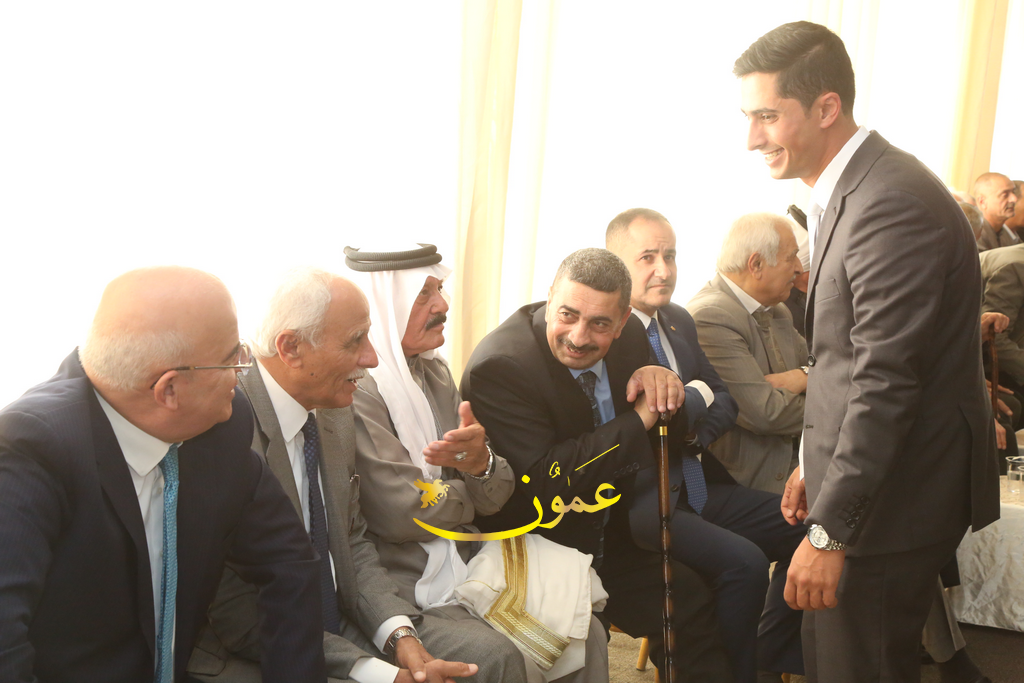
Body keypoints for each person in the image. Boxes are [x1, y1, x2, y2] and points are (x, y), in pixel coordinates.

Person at [736, 21, 1000, 683]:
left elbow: (885, 381)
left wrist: (832, 530)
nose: (752, 139)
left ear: (827, 107)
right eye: (748, 118)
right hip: (876, 486)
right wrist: (812, 461)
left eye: (767, 116)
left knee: (858, 666)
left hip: (895, 500)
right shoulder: (854, 188)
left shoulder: (891, 203)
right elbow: (842, 360)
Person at [188, 266, 522, 683]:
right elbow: (241, 611)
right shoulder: (228, 426)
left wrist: (400, 636)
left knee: (494, 658)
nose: (372, 358)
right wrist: (379, 673)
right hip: (256, 644)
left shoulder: (333, 411)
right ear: (291, 348)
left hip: (344, 616)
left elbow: (351, 540)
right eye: (355, 341)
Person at [0, 266, 326, 683]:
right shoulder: (30, 448)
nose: (242, 371)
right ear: (169, 390)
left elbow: (287, 562)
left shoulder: (222, 424)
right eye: (233, 358)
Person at [345, 244, 608, 683]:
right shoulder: (358, 391)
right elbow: (404, 514)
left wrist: (481, 465)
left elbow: (497, 490)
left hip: (471, 563)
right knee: (505, 658)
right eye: (424, 294)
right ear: (387, 305)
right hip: (407, 585)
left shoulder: (434, 373)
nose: (442, 305)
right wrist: (475, 482)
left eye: (440, 289)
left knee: (590, 633)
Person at [605, 214, 805, 682]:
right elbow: (648, 422)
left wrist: (691, 429)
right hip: (646, 501)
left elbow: (725, 400)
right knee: (746, 564)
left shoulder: (677, 320)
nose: (664, 270)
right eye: (647, 258)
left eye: (670, 256)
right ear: (618, 265)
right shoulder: (607, 332)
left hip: (697, 481)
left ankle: (769, 655)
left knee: (807, 524)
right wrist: (693, 401)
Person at [686, 213, 807, 495]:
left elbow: (826, 367)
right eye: (791, 257)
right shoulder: (711, 315)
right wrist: (838, 409)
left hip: (802, 461)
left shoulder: (777, 309)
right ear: (756, 265)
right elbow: (768, 414)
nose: (799, 268)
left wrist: (804, 376)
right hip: (756, 484)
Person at [974, 173, 1020, 251]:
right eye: (1005, 195)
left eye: (1013, 192)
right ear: (982, 202)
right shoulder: (974, 233)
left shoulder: (1007, 234)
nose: (1014, 199)